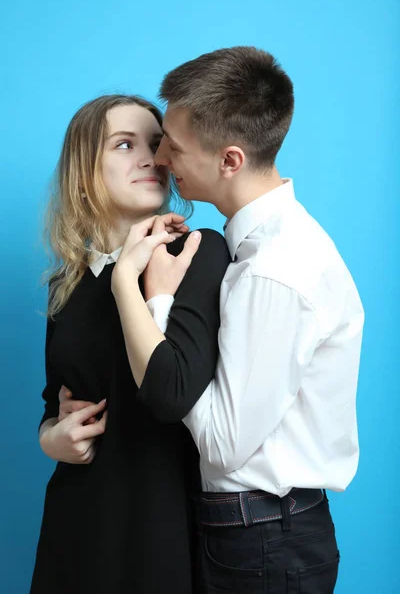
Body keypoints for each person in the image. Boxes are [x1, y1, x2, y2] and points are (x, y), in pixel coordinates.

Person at [104, 47, 364, 593]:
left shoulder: (275, 270)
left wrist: (158, 304)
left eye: (173, 146)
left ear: (229, 160)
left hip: (265, 540)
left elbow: (222, 443)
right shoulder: (260, 250)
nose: (163, 161)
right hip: (254, 534)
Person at [30, 93, 230, 594]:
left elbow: (174, 395)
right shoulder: (68, 285)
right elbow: (54, 399)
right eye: (124, 144)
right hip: (77, 520)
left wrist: (131, 280)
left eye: (159, 145)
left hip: (163, 521)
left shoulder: (197, 252)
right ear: (82, 173)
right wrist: (50, 437)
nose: (153, 158)